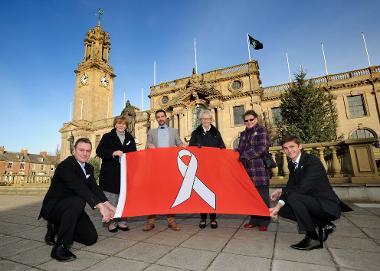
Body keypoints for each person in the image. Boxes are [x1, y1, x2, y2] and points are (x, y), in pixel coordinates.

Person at [269, 135, 352, 250]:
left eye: (292, 146)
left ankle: (313, 238)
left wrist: (281, 192)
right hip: (311, 202)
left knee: (294, 197)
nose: (289, 150)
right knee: (284, 208)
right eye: (286, 148)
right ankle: (323, 224)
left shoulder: (312, 161)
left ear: (300, 146)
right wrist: (278, 207)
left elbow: (302, 188)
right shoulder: (292, 164)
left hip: (326, 205)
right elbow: (290, 186)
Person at [39, 138, 115, 262]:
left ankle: (57, 228)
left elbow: (94, 189)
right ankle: (60, 247)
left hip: (73, 209)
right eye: (81, 150)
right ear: (74, 150)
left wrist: (109, 205)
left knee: (90, 238)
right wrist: (101, 207)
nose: (85, 153)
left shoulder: (89, 168)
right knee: (78, 199)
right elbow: (79, 187)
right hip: (54, 208)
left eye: (88, 151)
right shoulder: (65, 166)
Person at [144, 109, 183, 231]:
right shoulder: (151, 132)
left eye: (162, 116)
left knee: (170, 194)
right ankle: (151, 222)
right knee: (152, 194)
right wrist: (149, 146)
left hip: (170, 167)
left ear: (166, 117)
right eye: (158, 117)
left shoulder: (174, 131)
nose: (160, 118)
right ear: (156, 119)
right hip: (155, 167)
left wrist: (180, 146)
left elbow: (180, 144)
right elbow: (146, 147)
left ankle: (171, 221)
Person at [96, 116, 137, 232]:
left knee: (123, 198)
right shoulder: (107, 137)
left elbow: (134, 154)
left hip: (125, 173)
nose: (121, 126)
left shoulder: (130, 138)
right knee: (111, 198)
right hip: (110, 173)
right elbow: (99, 151)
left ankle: (122, 221)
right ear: (115, 125)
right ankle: (111, 222)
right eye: (119, 123)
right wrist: (113, 153)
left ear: (126, 126)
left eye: (124, 124)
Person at [189, 109, 225, 229]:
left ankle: (213, 218)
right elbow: (190, 149)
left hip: (214, 169)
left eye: (207, 119)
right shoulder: (196, 133)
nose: (205, 121)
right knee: (202, 194)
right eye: (203, 119)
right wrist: (196, 148)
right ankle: (203, 218)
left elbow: (223, 147)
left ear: (211, 120)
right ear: (200, 120)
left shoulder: (216, 132)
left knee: (212, 193)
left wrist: (220, 147)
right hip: (201, 169)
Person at [237, 110, 271, 231]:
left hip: (259, 169)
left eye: (251, 119)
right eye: (246, 120)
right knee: (251, 197)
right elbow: (239, 149)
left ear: (256, 119)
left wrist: (244, 155)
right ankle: (254, 220)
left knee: (262, 197)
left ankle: (264, 221)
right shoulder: (243, 134)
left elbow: (262, 148)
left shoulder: (262, 130)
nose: (249, 122)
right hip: (247, 171)